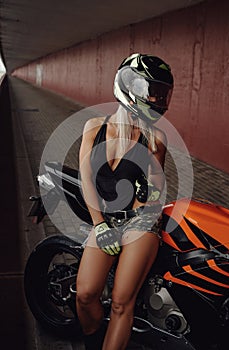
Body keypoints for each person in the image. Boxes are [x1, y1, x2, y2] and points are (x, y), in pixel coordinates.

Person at [76, 53, 174, 349]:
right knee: (85, 294)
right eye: (152, 90)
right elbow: (86, 177)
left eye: (162, 93)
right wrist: (100, 225)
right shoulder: (95, 126)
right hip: (105, 220)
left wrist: (151, 203)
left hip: (140, 223)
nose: (157, 99)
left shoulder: (156, 138)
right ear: (130, 86)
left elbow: (157, 186)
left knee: (121, 302)